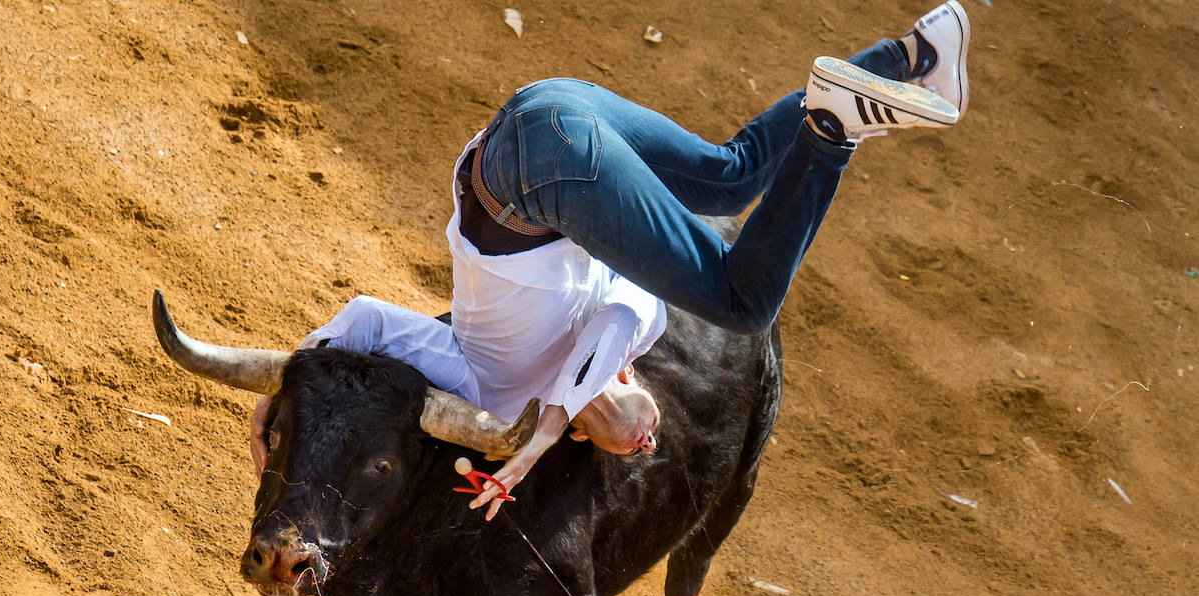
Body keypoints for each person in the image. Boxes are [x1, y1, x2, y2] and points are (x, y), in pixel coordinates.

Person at [254, 2, 970, 519]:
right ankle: (915, 56)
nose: (642, 444)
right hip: (547, 124)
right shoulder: (631, 321)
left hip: (538, 155)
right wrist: (540, 439)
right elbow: (613, 328)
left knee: (743, 296)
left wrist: (288, 384)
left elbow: (369, 321)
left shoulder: (491, 390)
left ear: (586, 433)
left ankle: (831, 127)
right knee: (734, 177)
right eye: (643, 447)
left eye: (627, 449)